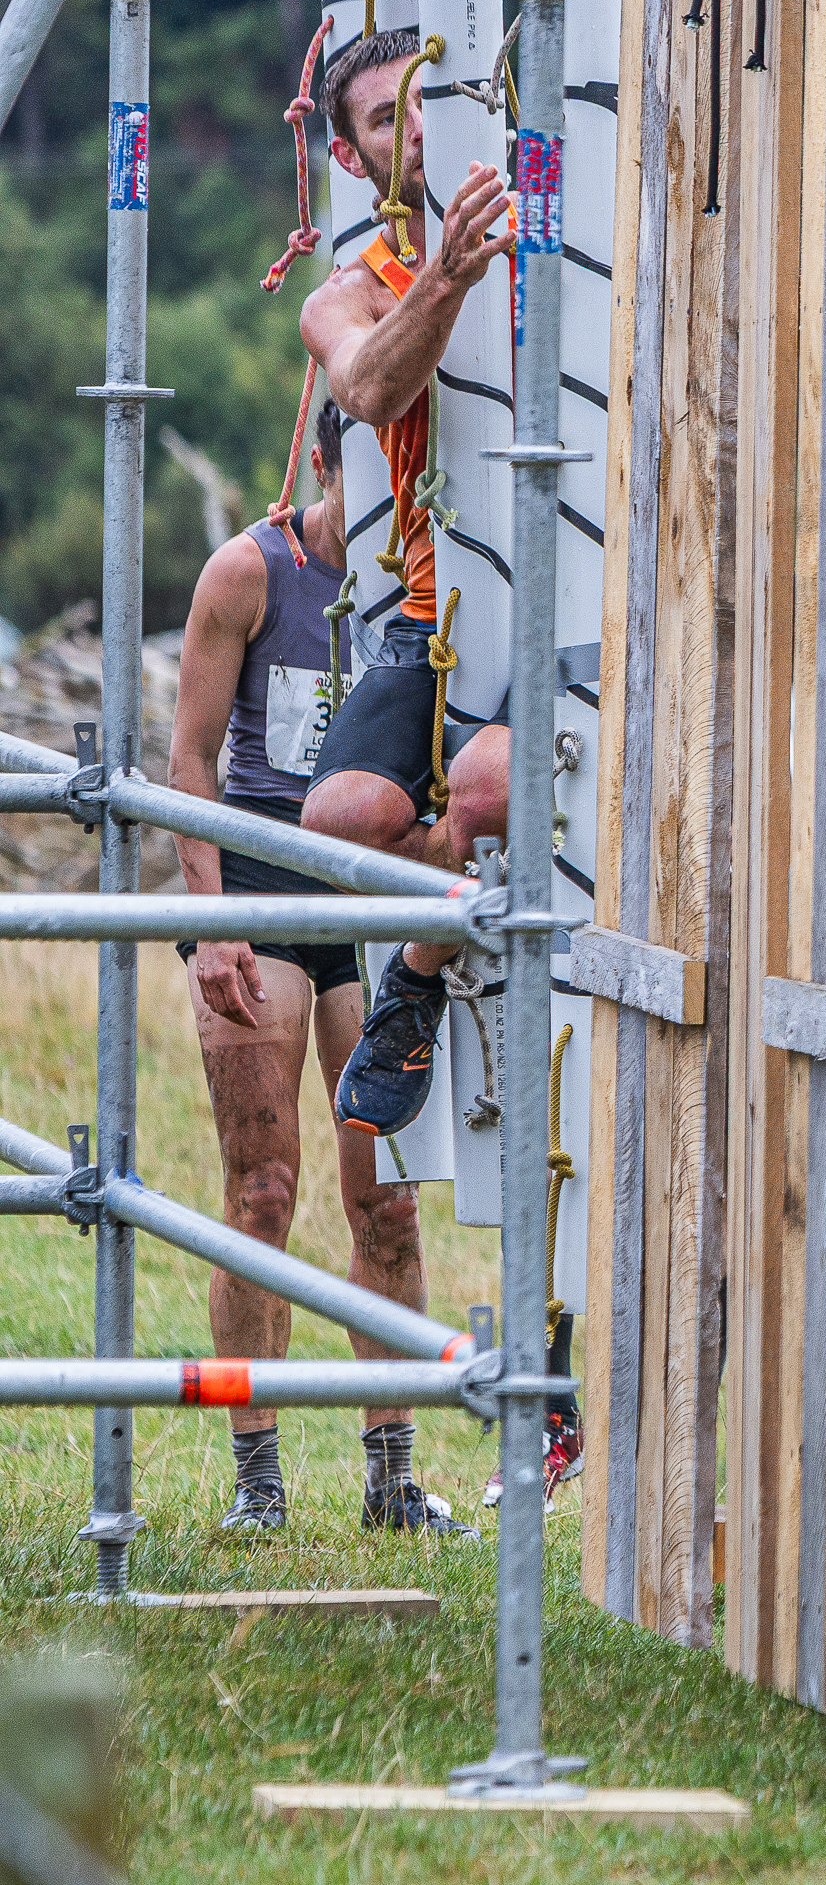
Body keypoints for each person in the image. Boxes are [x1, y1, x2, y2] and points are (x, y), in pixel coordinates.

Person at [168, 401, 467, 1536]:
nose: (389, 502)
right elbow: (189, 758)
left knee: (387, 1201)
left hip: (365, 912)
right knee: (263, 1190)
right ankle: (260, 1482)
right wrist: (213, 925)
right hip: (254, 894)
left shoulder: (427, 590)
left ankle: (392, 1478)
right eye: (373, 472)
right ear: (330, 460)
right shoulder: (250, 571)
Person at [296, 25, 515, 1144]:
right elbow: (370, 390)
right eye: (386, 119)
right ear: (349, 161)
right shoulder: (347, 291)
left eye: (429, 102)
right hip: (439, 607)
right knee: (334, 827)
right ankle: (450, 922)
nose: (419, 130)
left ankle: (419, 973)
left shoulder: (553, 224)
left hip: (564, 600)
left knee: (483, 790)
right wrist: (446, 277)